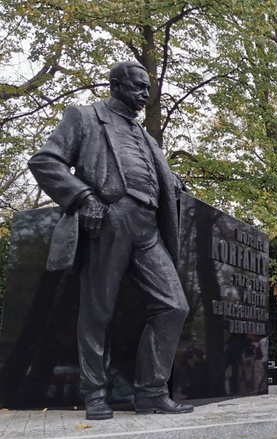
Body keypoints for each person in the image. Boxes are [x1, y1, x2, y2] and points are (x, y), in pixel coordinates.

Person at [28, 61, 192, 420]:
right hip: (108, 217)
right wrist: (83, 197)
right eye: (137, 87)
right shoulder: (85, 117)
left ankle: (151, 392)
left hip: (148, 227)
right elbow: (44, 161)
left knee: (174, 305)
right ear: (115, 85)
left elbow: (159, 177)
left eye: (148, 89)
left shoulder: (146, 136)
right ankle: (95, 393)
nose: (144, 95)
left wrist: (174, 183)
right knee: (98, 310)